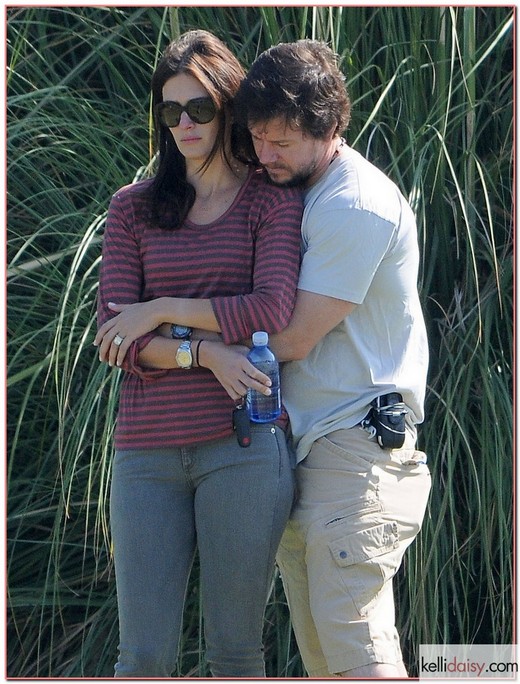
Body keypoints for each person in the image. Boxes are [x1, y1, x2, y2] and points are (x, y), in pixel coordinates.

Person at [94, 30, 303, 678]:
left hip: (240, 448)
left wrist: (158, 310)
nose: (185, 123)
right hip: (146, 456)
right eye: (171, 110)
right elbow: (113, 339)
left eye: (200, 109)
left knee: (235, 652)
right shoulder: (132, 210)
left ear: (228, 109)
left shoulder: (269, 202)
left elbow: (270, 309)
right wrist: (207, 355)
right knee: (144, 656)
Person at [225, 40, 432, 678]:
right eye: (257, 139)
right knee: (324, 660)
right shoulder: (297, 190)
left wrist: (185, 346)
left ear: (330, 127)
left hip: (355, 451)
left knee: (356, 655)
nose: (264, 156)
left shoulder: (355, 203)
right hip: (304, 449)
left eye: (281, 142)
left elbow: (288, 339)